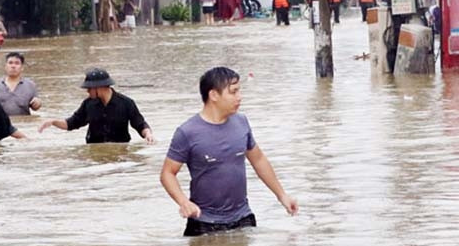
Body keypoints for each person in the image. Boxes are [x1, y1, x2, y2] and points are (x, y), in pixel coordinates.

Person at [160, 66, 298, 236]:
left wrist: (282, 195)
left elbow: (258, 160)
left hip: (243, 218)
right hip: (204, 222)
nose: (240, 97)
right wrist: (183, 202)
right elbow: (167, 173)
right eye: (233, 92)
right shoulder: (187, 132)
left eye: (239, 91)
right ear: (213, 95)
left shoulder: (241, 122)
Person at [39, 67, 155, 144]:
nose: (87, 91)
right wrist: (53, 122)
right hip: (94, 151)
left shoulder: (126, 103)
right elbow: (71, 123)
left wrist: (148, 134)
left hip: (120, 152)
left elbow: (140, 124)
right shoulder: (88, 104)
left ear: (100, 87)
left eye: (89, 88)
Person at [0, 51, 41, 116]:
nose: (13, 66)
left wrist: (38, 103)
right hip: (1, 121)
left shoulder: (30, 85)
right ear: (5, 66)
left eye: (17, 63)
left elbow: (36, 107)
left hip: (23, 121)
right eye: (10, 63)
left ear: (22, 67)